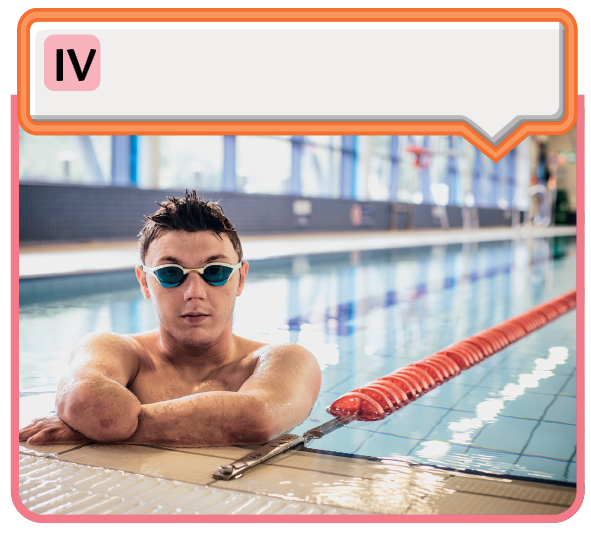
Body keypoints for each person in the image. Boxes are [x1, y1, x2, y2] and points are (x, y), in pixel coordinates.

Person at [19, 191, 321, 447]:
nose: (194, 292)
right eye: (170, 273)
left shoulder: (286, 359)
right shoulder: (111, 348)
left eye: (215, 271)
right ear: (143, 281)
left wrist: (96, 430)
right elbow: (83, 400)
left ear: (240, 278)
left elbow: (258, 418)